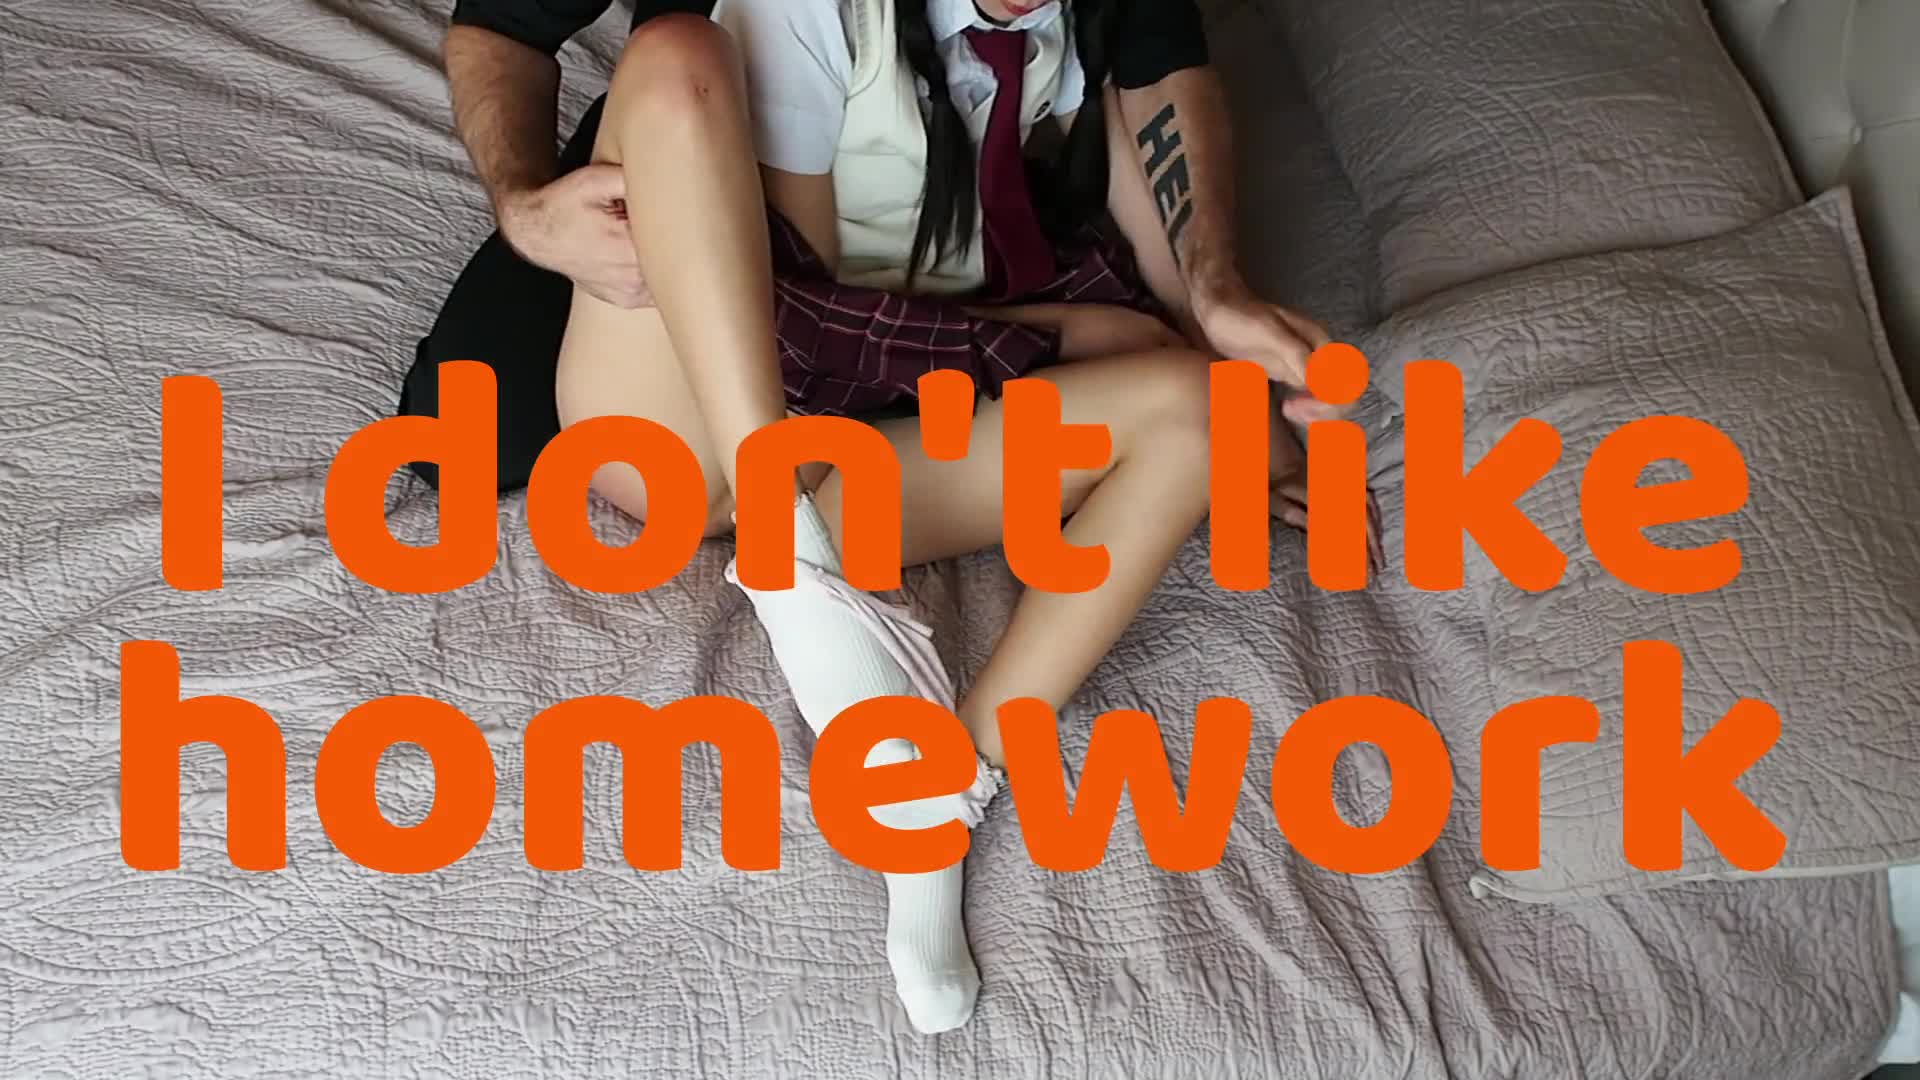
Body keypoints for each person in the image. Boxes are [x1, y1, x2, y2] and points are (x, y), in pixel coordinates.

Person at [403, 0, 1372, 1036]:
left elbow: (1165, 119)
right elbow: (804, 326)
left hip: (858, 448)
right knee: (675, 57)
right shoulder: (801, 21)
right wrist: (1060, 335)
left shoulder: (1085, 35)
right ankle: (789, 560)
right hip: (694, 415)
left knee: (1204, 410)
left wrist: (1216, 347)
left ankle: (946, 794)